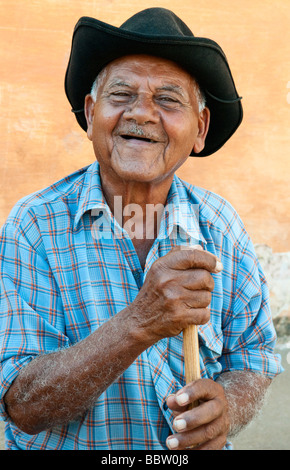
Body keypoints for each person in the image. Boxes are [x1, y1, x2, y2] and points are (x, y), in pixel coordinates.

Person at [0, 8, 282, 450]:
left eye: (168, 99)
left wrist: (227, 405)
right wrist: (140, 322)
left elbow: (255, 357)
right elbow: (22, 404)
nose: (143, 113)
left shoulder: (220, 225)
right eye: (122, 94)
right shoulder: (33, 225)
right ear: (91, 114)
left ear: (200, 129)